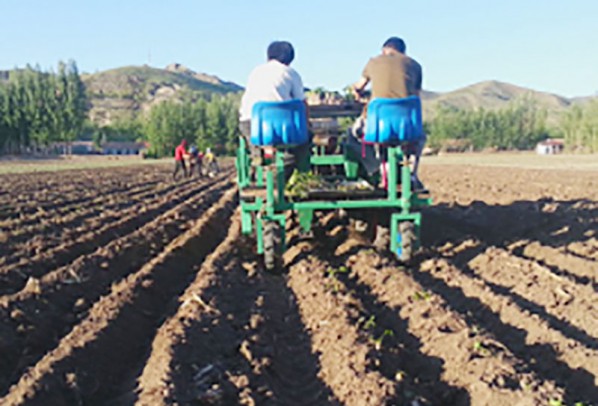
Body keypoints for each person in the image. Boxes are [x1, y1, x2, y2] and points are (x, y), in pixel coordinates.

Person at [352, 37, 427, 191]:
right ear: (403, 52)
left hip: (378, 125)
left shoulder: (373, 62)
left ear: (384, 50)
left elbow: (359, 86)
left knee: (352, 135)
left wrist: (357, 93)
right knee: (420, 138)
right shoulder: (415, 65)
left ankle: (376, 169)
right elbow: (416, 95)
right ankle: (412, 174)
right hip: (407, 127)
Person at [239, 40, 309, 177]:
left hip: (253, 124)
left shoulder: (256, 72)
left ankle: (257, 154)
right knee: (304, 141)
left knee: (253, 136)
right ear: (290, 59)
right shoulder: (291, 73)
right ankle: (299, 169)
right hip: (282, 126)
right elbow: (302, 103)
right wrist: (307, 124)